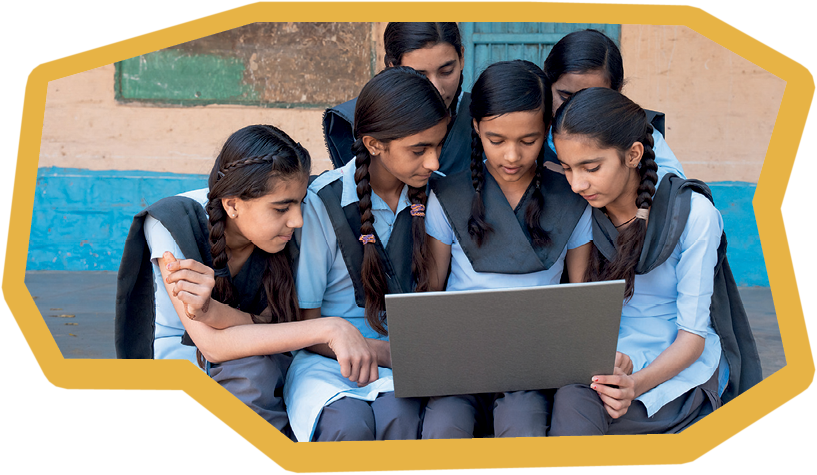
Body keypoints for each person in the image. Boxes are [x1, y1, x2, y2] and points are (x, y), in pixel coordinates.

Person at [116, 124, 378, 441]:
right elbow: (212, 345)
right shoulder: (173, 224)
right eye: (282, 208)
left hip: (262, 358)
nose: (297, 220)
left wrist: (214, 312)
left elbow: (265, 324)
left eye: (299, 202)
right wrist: (328, 328)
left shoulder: (288, 229)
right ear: (233, 205)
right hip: (185, 367)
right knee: (255, 373)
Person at [548, 87, 761, 435]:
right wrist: (610, 358)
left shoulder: (694, 215)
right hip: (606, 358)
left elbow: (692, 337)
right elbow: (579, 309)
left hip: (673, 365)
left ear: (632, 154)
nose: (576, 184)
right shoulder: (584, 212)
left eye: (591, 167)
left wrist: (636, 384)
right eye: (567, 169)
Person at [420, 60, 593, 439]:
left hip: (534, 363)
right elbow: (431, 294)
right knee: (442, 429)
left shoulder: (572, 197)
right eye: (496, 140)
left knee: (523, 425)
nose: (511, 156)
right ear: (477, 128)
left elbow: (582, 297)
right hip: (460, 359)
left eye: (528, 141)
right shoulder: (448, 195)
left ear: (547, 130)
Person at [285, 66, 450, 442]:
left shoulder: (437, 196)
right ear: (374, 144)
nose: (434, 163)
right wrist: (382, 352)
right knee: (346, 425)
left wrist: (399, 355)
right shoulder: (320, 204)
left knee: (401, 417)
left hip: (409, 360)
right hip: (330, 360)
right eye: (419, 150)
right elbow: (305, 324)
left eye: (439, 146)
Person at [324, 22, 472, 176]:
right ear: (392, 66)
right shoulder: (354, 120)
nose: (437, 89)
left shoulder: (482, 115)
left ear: (461, 57)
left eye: (447, 72)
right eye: (420, 76)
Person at [542, 28, 685, 183]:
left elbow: (676, 192)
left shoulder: (644, 137)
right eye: (566, 97)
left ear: (617, 93)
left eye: (594, 100)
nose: (578, 110)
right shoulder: (529, 132)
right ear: (547, 87)